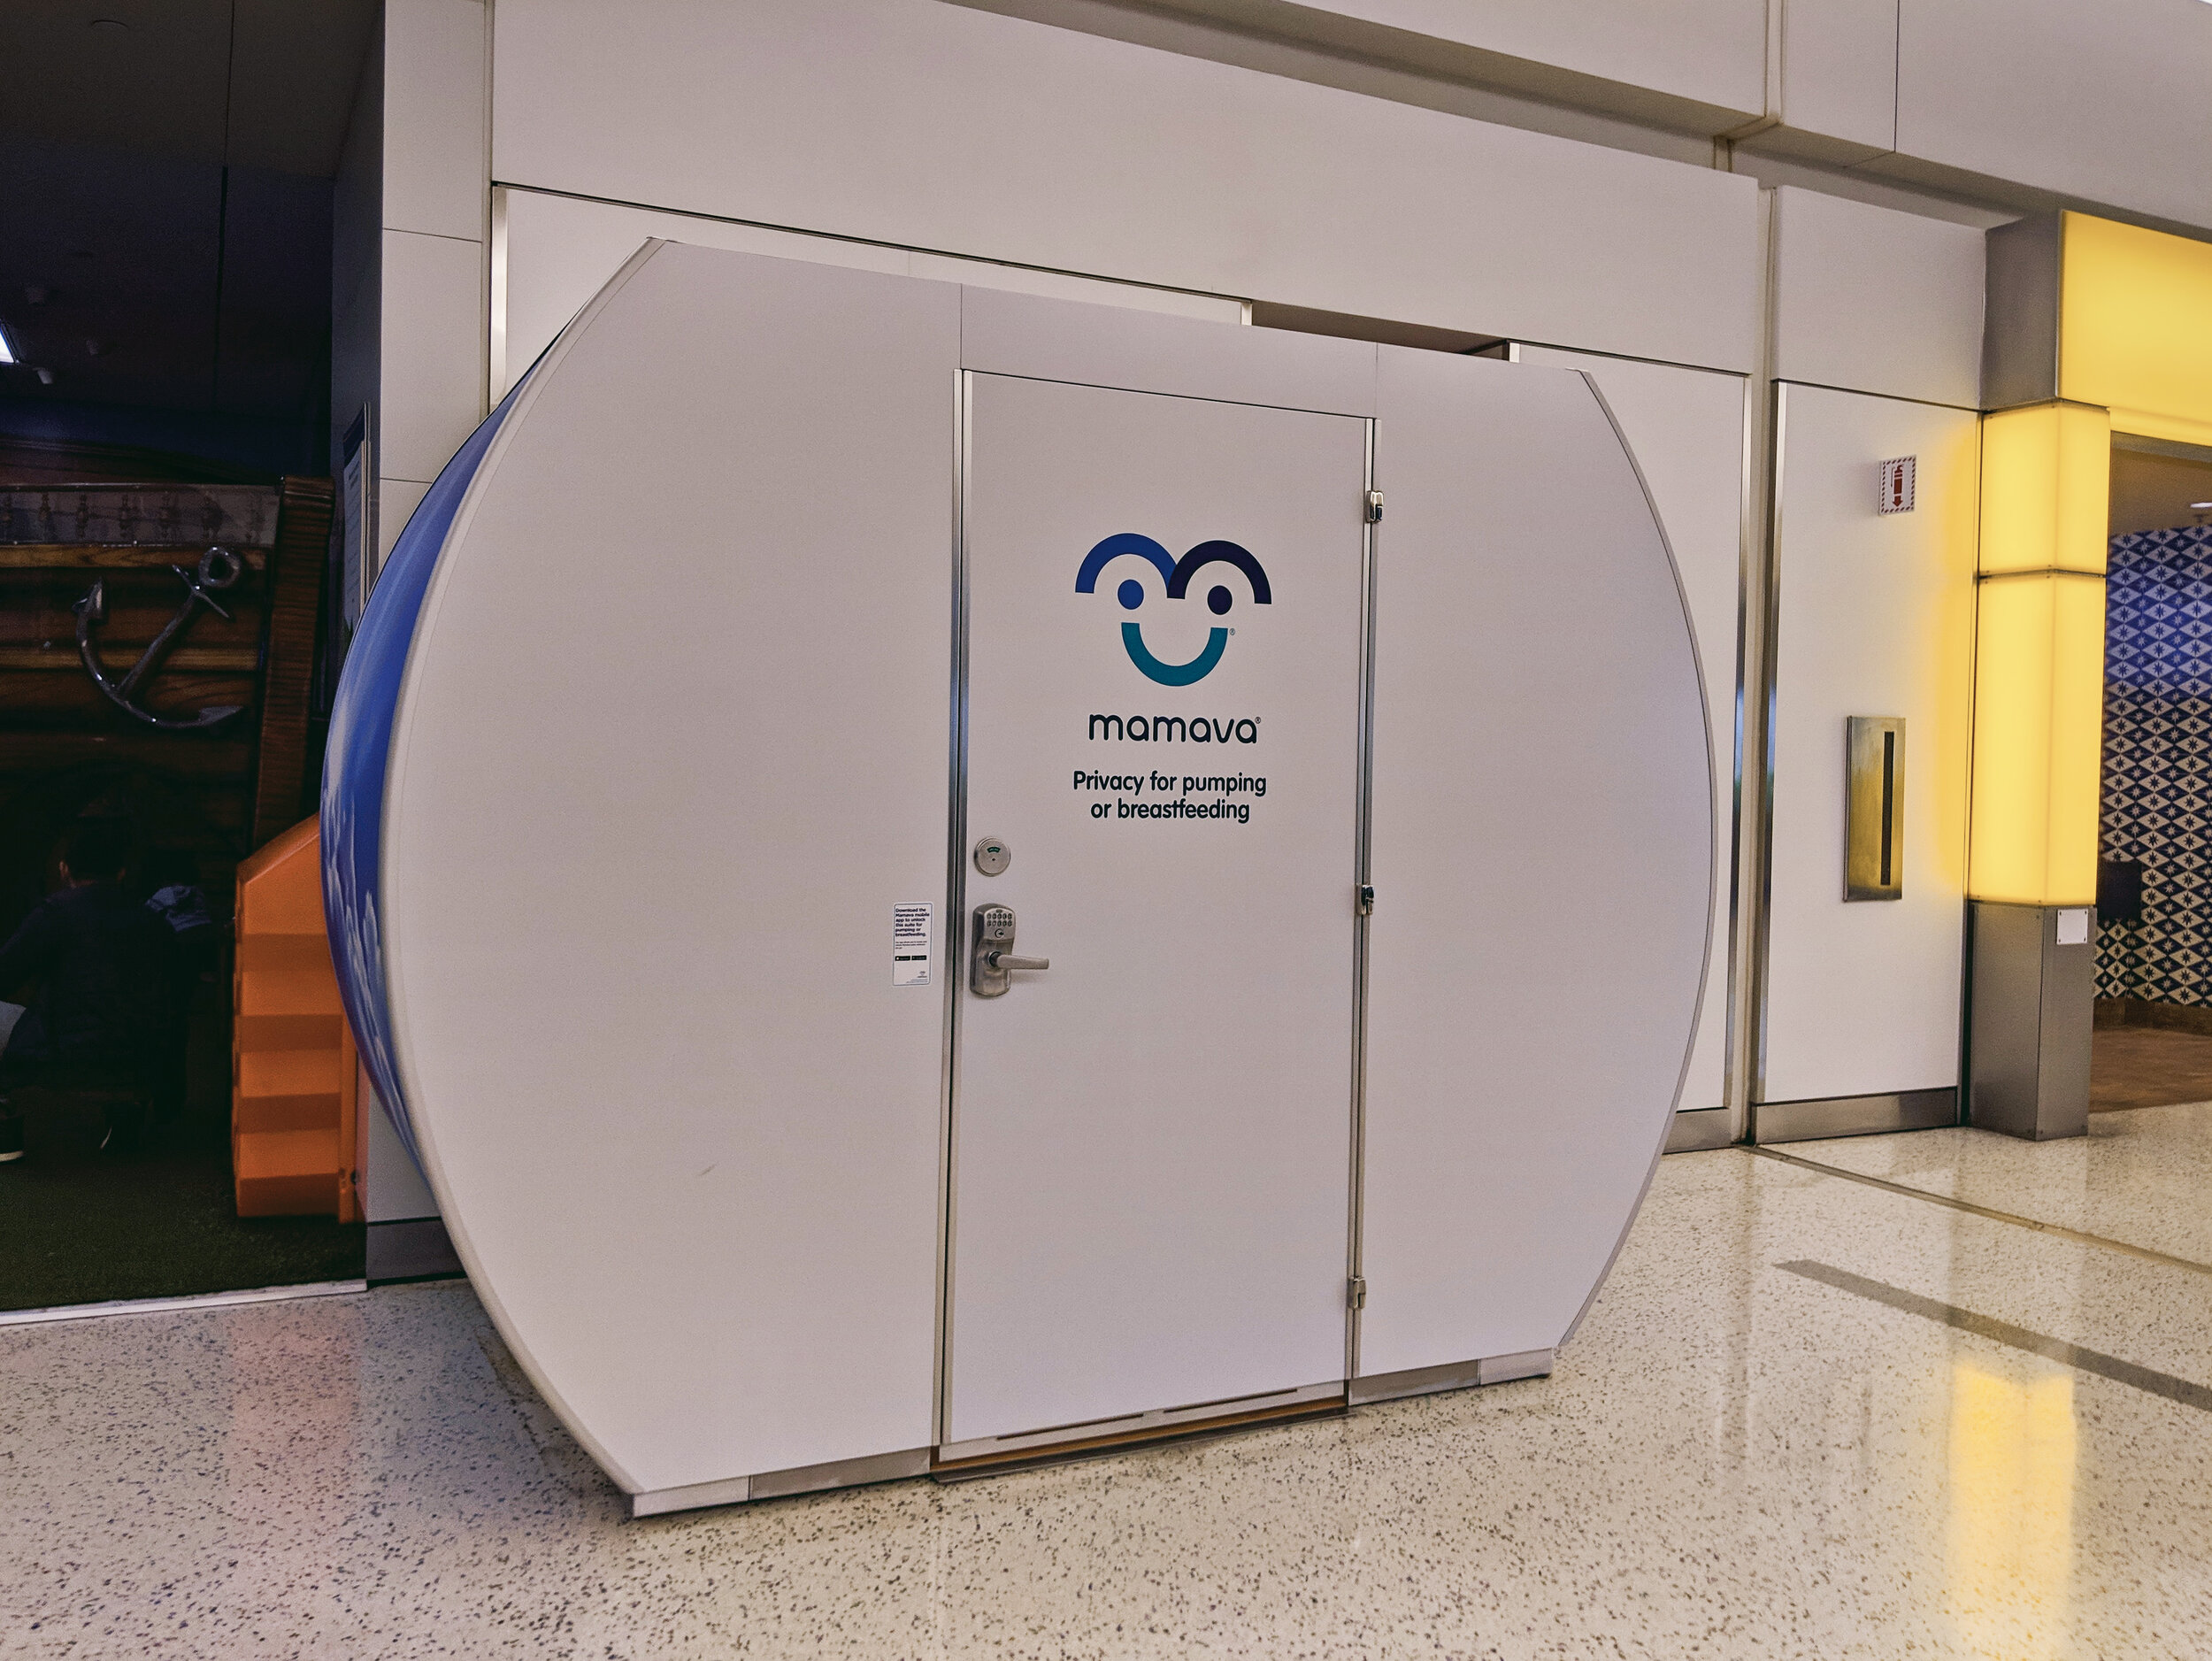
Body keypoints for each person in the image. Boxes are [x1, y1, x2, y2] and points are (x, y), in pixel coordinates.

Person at [0, 819, 175, 1161]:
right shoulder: (155, 923)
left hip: (61, 1053)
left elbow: (4, 976)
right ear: (122, 872)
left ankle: (5, 1130)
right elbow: (174, 1005)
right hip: (138, 1057)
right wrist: (170, 1091)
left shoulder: (53, 914)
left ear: (64, 868)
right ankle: (127, 1108)